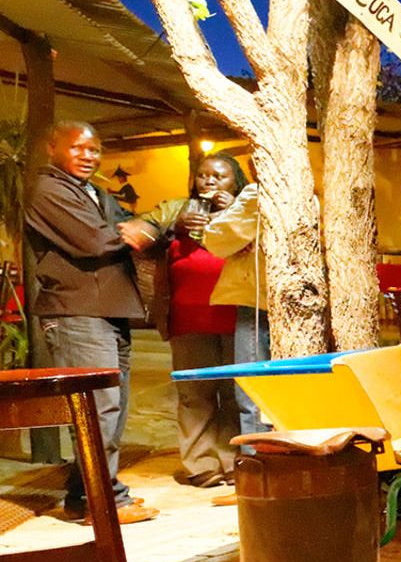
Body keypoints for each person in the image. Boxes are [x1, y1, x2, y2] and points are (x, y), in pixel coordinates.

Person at [25, 120, 156, 524]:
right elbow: (94, 241)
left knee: (111, 409)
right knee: (98, 409)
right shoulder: (47, 189)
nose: (89, 156)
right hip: (76, 311)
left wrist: (142, 226)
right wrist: (133, 229)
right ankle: (106, 501)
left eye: (95, 150)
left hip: (109, 310)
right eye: (78, 148)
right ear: (52, 148)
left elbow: (137, 227)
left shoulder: (95, 192)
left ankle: (85, 497)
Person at [125, 153, 250, 487]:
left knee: (235, 393)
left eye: (219, 176)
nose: (209, 181)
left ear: (235, 181)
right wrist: (172, 227)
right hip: (188, 317)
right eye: (203, 175)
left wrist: (233, 210)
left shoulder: (245, 209)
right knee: (195, 394)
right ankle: (201, 464)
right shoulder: (179, 209)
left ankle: (234, 460)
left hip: (236, 317)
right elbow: (146, 231)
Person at [203, 176, 268, 438]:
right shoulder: (313, 195)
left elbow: (217, 240)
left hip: (259, 303)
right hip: (277, 303)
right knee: (266, 392)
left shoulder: (255, 196)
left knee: (253, 392)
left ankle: (257, 467)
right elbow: (222, 240)